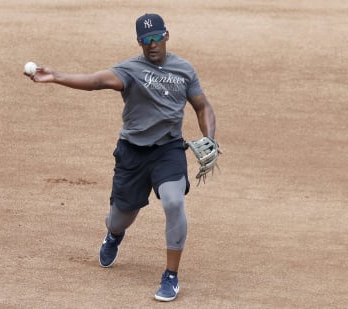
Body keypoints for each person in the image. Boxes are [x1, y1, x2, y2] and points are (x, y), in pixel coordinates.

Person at [26, 13, 218, 302]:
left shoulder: (184, 70)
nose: (151, 44)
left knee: (174, 202)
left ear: (166, 36)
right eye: (145, 40)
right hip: (133, 153)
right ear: (139, 42)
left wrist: (210, 138)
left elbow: (203, 107)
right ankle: (114, 236)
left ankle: (170, 276)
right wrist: (56, 76)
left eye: (156, 38)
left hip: (168, 151)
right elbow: (96, 81)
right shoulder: (131, 70)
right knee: (118, 219)